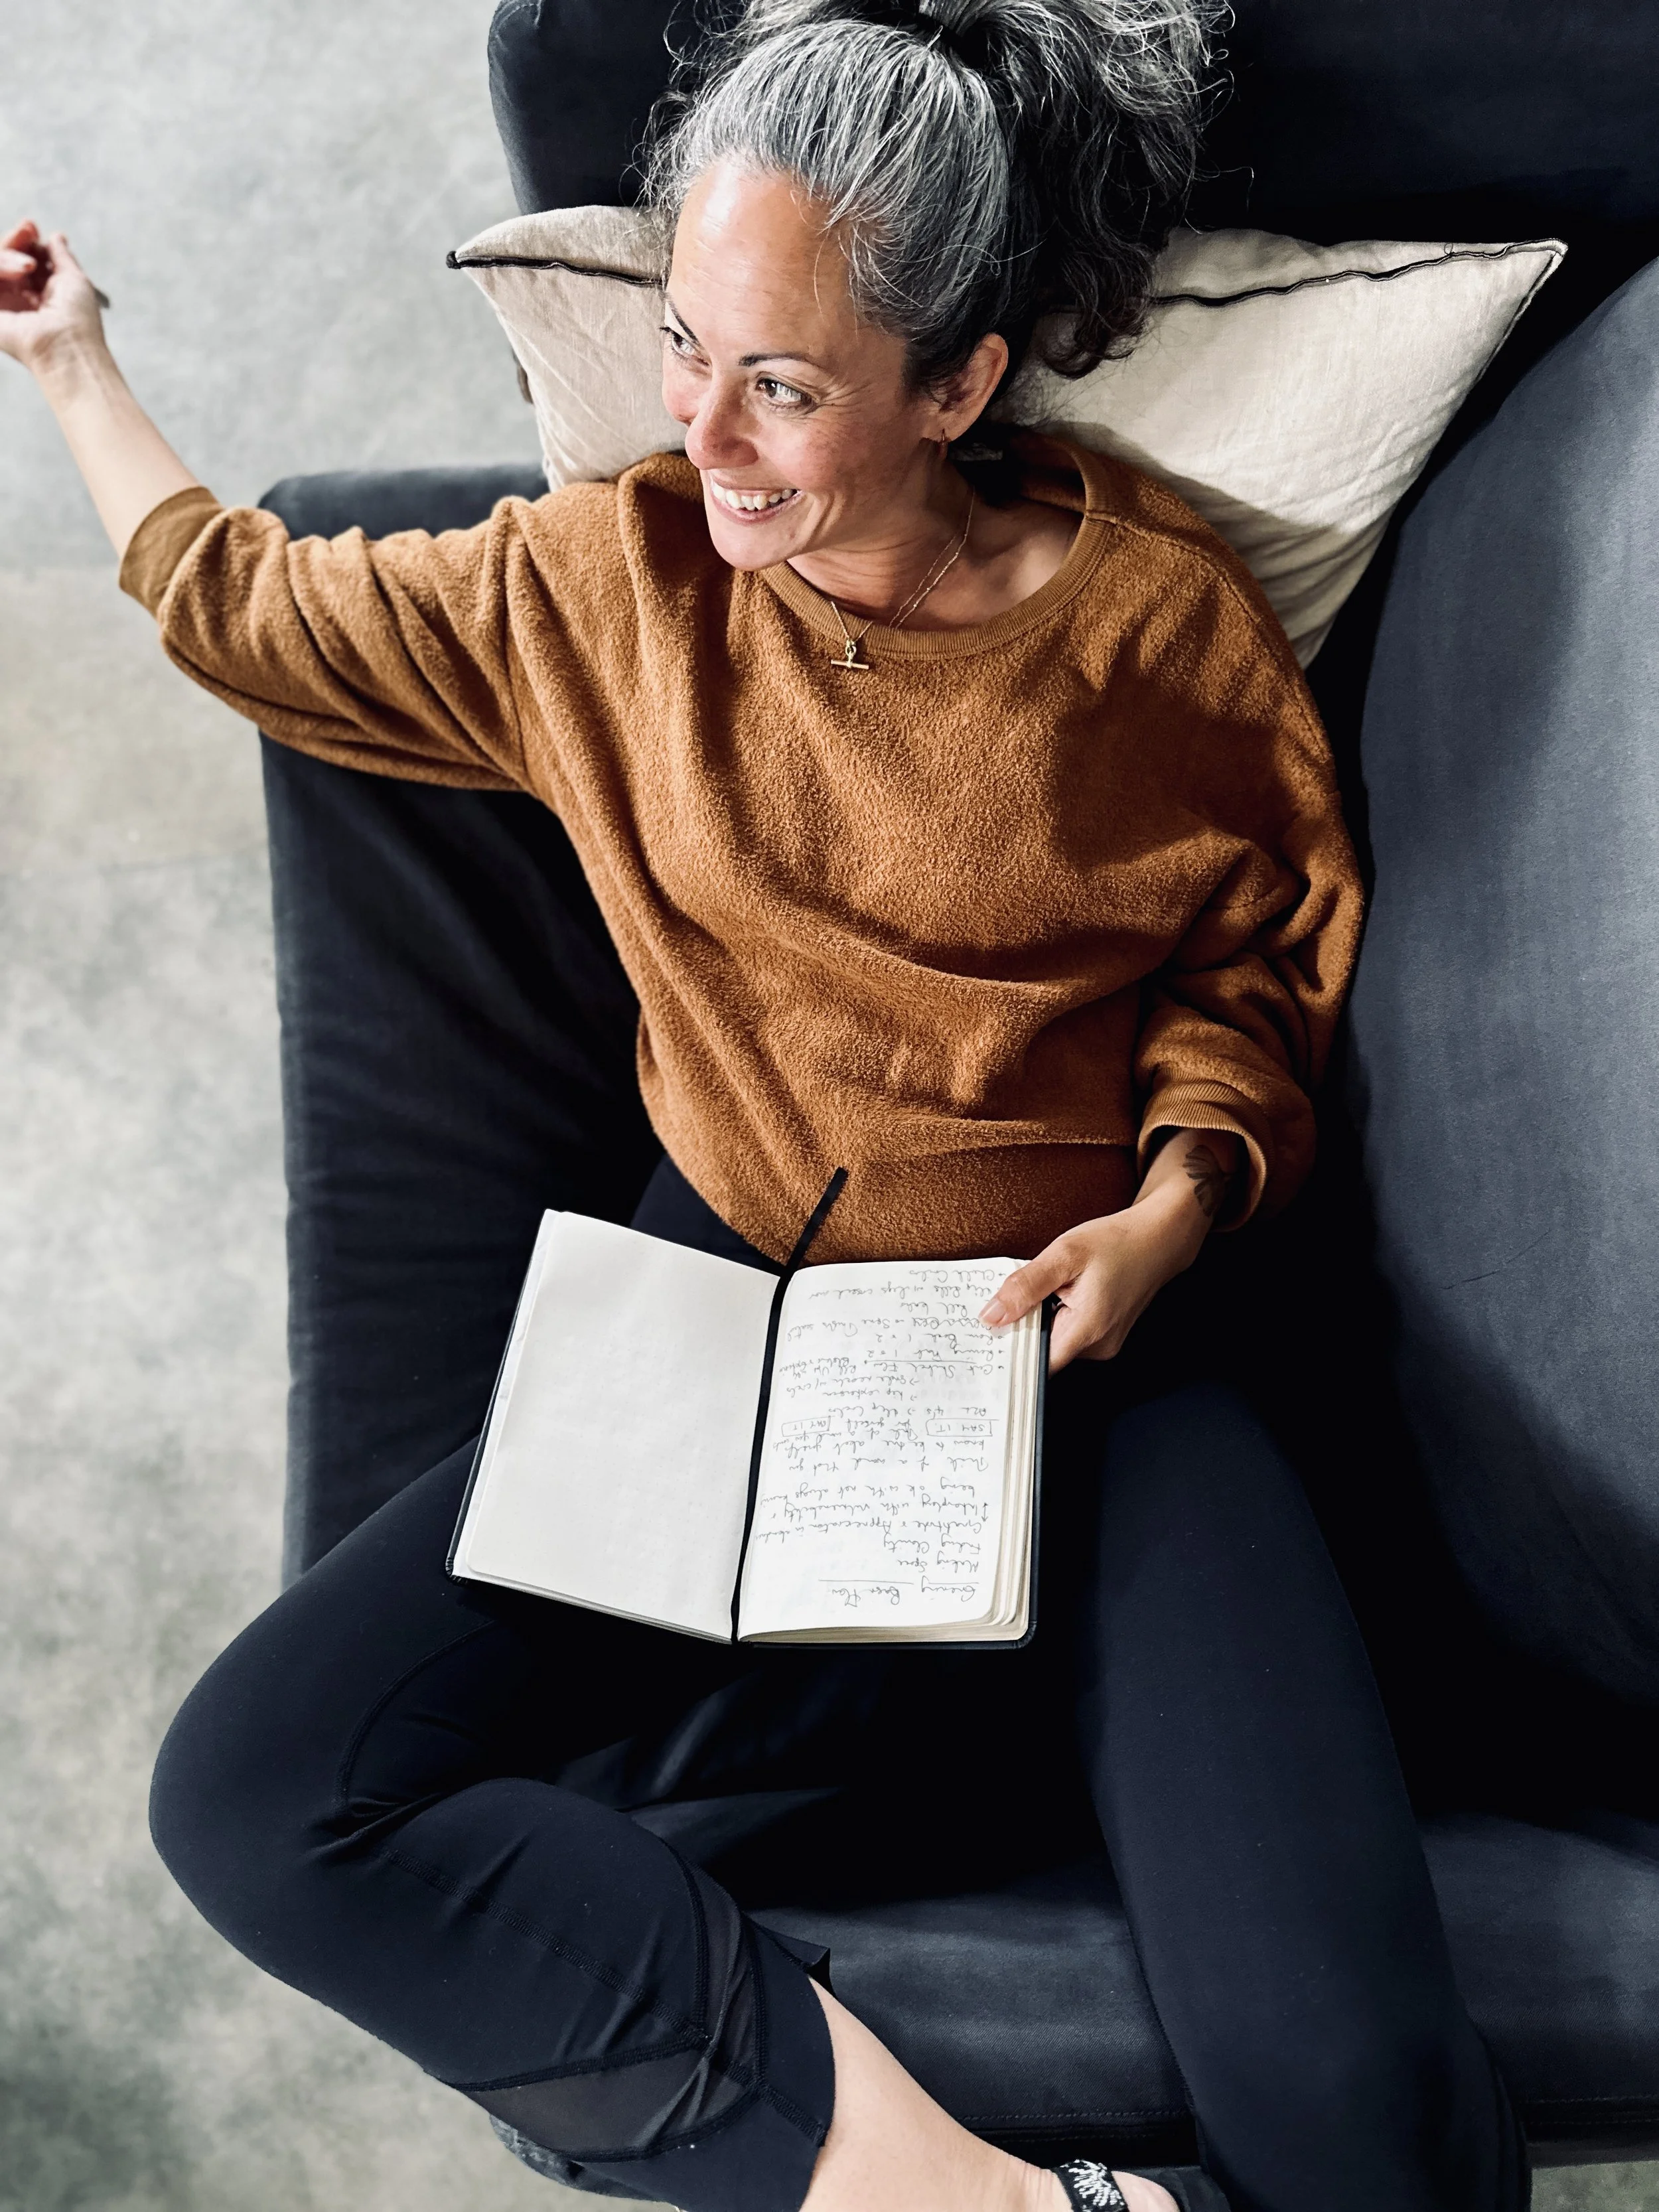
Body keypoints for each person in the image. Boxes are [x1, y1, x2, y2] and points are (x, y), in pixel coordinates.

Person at [0, 0, 1530, 2206]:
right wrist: (71, 366)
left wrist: (1176, 1211)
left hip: (1087, 1354)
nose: (700, 428)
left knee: (1359, 2123)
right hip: (738, 1348)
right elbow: (248, 606)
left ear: (958, 385)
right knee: (252, 1794)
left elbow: (1246, 969)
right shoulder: (598, 586)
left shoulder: (1158, 637)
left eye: (785, 385)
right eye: (690, 347)